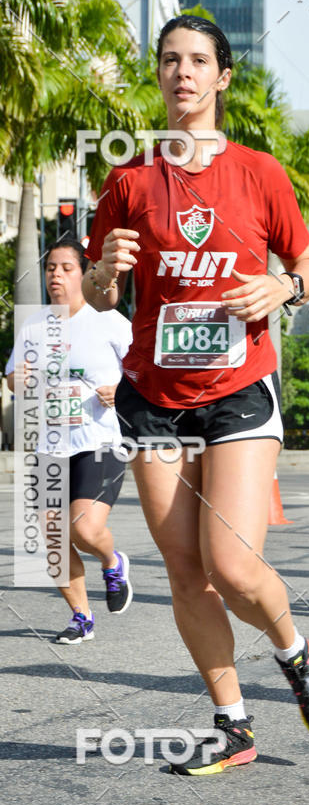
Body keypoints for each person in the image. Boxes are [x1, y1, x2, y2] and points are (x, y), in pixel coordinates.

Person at [83, 15, 309, 775]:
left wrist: (283, 286)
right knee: (183, 570)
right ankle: (233, 725)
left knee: (231, 566)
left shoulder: (260, 173)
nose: (183, 72)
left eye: (199, 60)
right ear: (159, 74)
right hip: (154, 396)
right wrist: (102, 270)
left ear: (222, 77)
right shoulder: (128, 180)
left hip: (236, 388)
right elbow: (102, 295)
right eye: (171, 60)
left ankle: (295, 653)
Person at [7, 239, 133, 643]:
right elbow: (13, 379)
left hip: (99, 440)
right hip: (50, 444)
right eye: (50, 268)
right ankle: (81, 617)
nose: (56, 275)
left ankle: (112, 562)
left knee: (83, 528)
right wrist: (18, 379)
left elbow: (143, 371)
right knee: (53, 539)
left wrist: (122, 390)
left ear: (86, 272)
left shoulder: (109, 321)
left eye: (66, 268)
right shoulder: (33, 325)